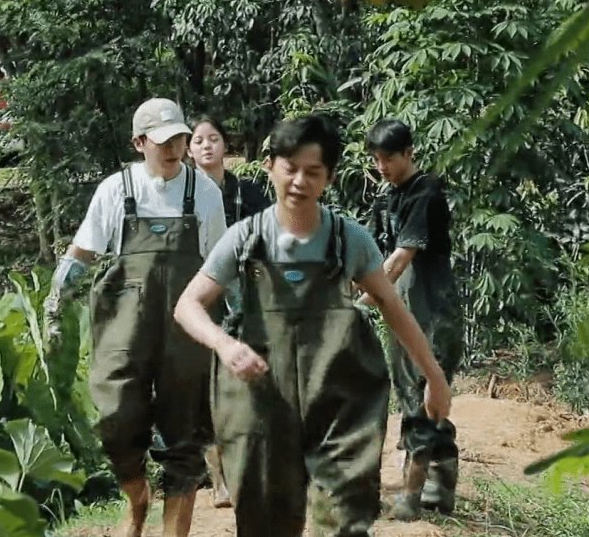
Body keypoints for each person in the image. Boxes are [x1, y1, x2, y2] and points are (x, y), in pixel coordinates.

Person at [173, 115, 452, 536]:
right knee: (266, 517)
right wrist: (225, 345)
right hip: (262, 401)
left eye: (313, 172)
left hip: (338, 399)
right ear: (269, 167)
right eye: (290, 168)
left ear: (329, 178)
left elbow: (391, 305)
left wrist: (434, 376)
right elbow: (188, 305)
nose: (300, 181)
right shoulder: (245, 239)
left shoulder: (347, 239)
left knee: (343, 515)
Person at [43, 97, 226, 537]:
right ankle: (137, 496)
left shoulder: (203, 192)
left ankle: (173, 530)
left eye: (179, 139)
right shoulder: (115, 190)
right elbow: (82, 253)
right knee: (116, 419)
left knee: (186, 431)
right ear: (139, 142)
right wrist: (55, 300)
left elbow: (222, 264)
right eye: (162, 141)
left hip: (186, 328)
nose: (173, 149)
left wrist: (240, 325)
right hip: (124, 327)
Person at [360, 118, 464, 520]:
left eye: (389, 158)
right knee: (410, 396)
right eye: (376, 159)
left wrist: (365, 301)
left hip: (432, 310)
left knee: (423, 400)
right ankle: (443, 483)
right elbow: (367, 252)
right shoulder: (387, 198)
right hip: (400, 310)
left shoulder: (426, 192)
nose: (382, 166)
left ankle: (411, 494)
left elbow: (401, 257)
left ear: (410, 153)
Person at [187, 114, 271, 508]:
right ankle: (219, 479)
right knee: (204, 384)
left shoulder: (249, 193)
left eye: (214, 138)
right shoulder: (183, 194)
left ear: (226, 146)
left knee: (248, 378)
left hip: (247, 298)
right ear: (189, 149)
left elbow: (272, 238)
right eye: (199, 140)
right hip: (198, 300)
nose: (207, 146)